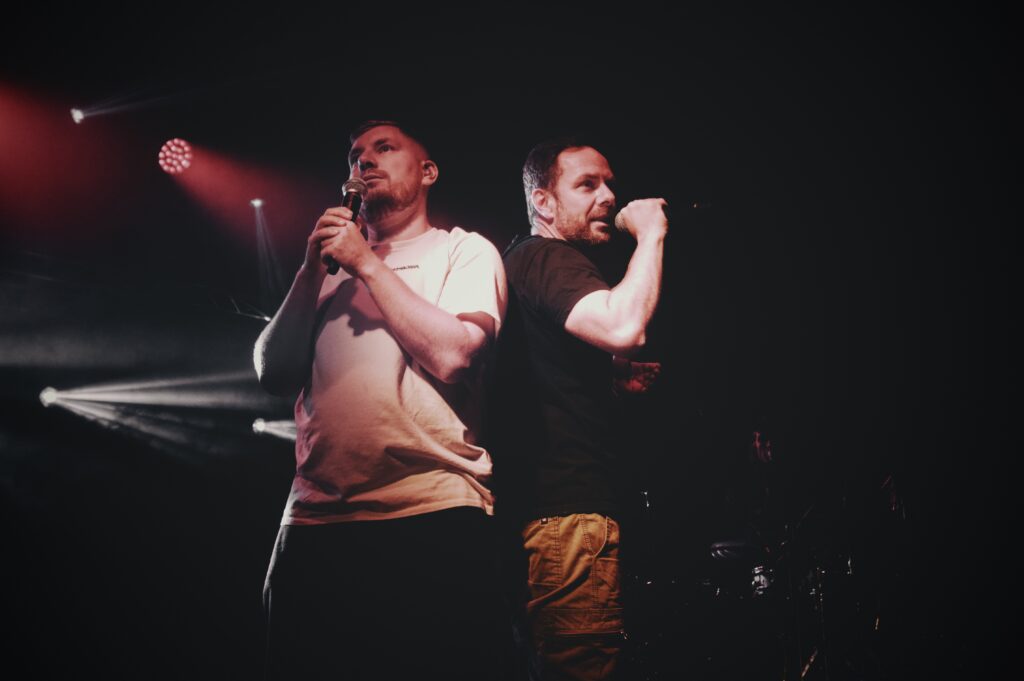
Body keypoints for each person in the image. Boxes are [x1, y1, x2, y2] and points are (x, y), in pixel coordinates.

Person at [254, 121, 508, 681]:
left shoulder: (462, 249)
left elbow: (456, 356)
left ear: (428, 171)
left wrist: (367, 264)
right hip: (315, 519)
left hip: (430, 509)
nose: (363, 161)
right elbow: (272, 372)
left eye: (384, 148)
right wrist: (309, 270)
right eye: (355, 155)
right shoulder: (325, 270)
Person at [492, 137, 666, 680]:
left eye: (609, 183)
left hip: (532, 513)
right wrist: (652, 235)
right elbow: (624, 326)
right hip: (567, 518)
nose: (609, 197)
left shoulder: (518, 261)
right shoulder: (548, 256)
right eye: (587, 185)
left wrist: (609, 381)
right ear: (543, 202)